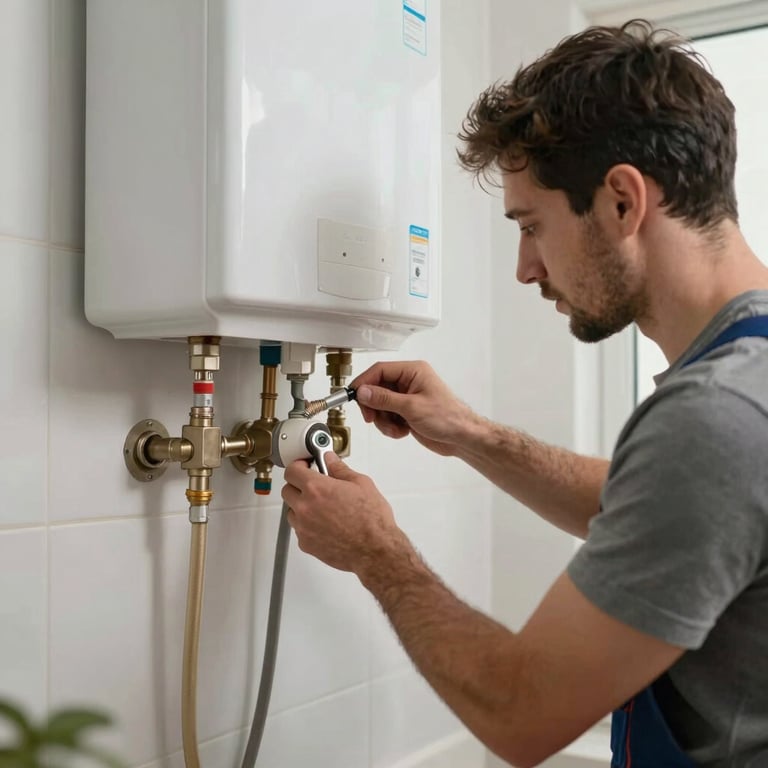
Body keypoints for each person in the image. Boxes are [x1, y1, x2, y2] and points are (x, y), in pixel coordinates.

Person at [282, 19, 768, 767]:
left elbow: (522, 713)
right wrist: (471, 434)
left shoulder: (718, 419)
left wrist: (377, 550)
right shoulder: (747, 381)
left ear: (620, 203)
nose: (525, 268)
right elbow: (663, 511)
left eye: (532, 225)